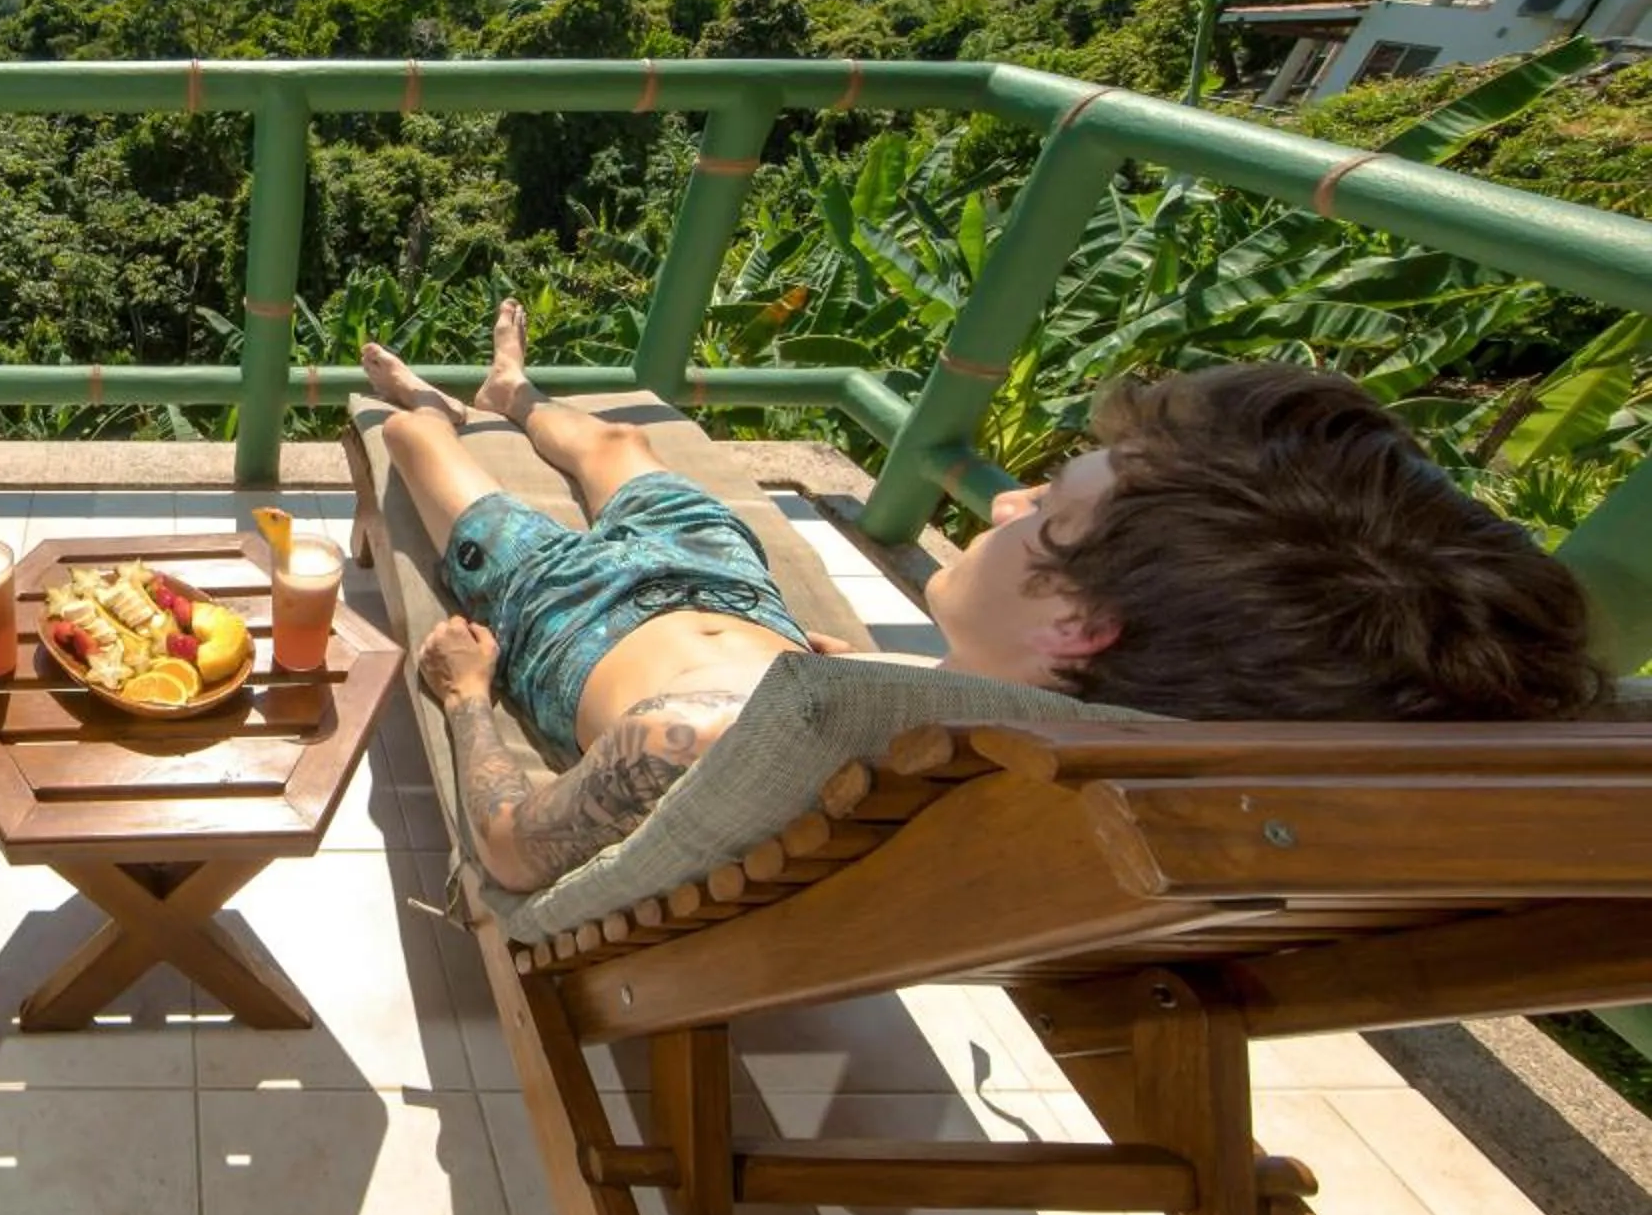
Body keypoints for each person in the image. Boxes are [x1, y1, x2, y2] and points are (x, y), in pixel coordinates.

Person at [367, 301, 1603, 896]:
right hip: (734, 590)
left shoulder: (683, 747)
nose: (1007, 502)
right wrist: (848, 675)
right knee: (630, 460)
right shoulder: (1048, 734)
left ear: (1082, 628)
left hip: (578, 617)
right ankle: (517, 392)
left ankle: (440, 409)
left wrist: (470, 696)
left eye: (1049, 512)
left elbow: (514, 846)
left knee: (442, 475)